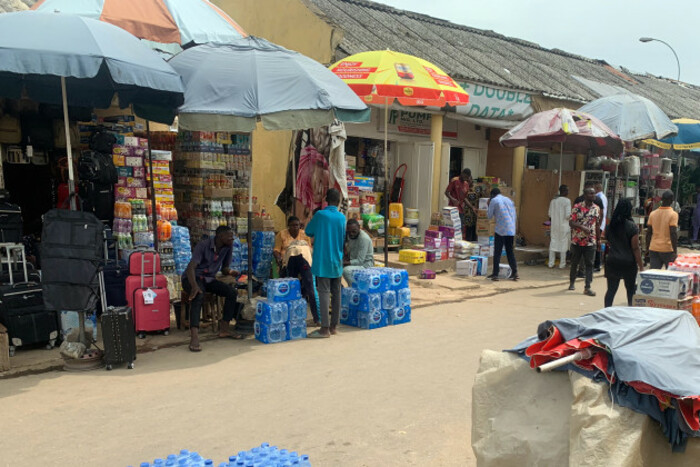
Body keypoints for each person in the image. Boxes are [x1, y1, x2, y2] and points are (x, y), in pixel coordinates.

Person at [182, 225, 243, 352]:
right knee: (198, 295)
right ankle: (194, 336)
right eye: (230, 236)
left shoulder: (228, 247)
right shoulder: (203, 245)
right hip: (192, 278)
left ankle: (224, 329)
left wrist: (231, 271)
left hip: (209, 278)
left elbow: (224, 268)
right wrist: (194, 286)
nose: (232, 239)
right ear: (220, 236)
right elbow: (191, 268)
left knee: (231, 292)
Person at [305, 188, 346, 338]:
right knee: (336, 293)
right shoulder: (342, 217)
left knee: (323, 292)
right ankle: (334, 326)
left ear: (326, 199)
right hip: (337, 259)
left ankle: (324, 328)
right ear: (339, 201)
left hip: (323, 260)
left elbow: (308, 231)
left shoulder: (320, 215)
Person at [273, 216, 319, 326]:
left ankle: (317, 318)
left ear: (300, 226)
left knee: (310, 288)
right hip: (288, 263)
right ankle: (289, 317)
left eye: (297, 225)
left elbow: (309, 250)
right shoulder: (282, 234)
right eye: (292, 225)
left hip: (304, 262)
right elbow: (276, 250)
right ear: (288, 226)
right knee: (291, 287)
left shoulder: (304, 235)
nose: (295, 227)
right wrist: (278, 258)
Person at [604, 199, 644, 307]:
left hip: (612, 260)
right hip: (628, 262)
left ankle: (606, 312)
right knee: (630, 290)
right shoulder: (632, 226)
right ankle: (630, 312)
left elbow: (608, 240)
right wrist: (641, 266)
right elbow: (635, 248)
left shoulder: (610, 226)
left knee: (611, 290)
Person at [568, 187, 601, 296]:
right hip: (577, 240)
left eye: (593, 193)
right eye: (590, 193)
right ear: (585, 195)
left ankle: (587, 287)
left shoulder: (596, 208)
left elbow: (597, 225)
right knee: (574, 263)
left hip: (590, 241)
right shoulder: (577, 208)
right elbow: (571, 223)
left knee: (589, 264)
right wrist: (582, 227)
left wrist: (599, 240)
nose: (593, 195)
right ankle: (572, 282)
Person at [487, 188, 519, 281]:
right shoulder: (509, 200)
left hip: (501, 229)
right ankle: (515, 272)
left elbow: (489, 216)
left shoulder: (494, 200)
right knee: (510, 251)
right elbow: (514, 215)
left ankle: (495, 274)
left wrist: (488, 205)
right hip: (511, 229)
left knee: (497, 252)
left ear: (492, 195)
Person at [646, 190, 678, 269]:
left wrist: (647, 248)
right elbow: (673, 233)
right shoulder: (673, 214)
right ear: (671, 200)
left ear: (662, 199)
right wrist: (675, 251)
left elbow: (648, 233)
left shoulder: (653, 214)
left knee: (654, 275)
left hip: (654, 248)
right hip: (668, 249)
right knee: (670, 277)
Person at [343, 219, 374, 285]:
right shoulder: (349, 235)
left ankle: (356, 288)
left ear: (359, 227)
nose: (351, 234)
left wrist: (345, 263)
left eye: (354, 231)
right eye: (349, 232)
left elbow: (360, 261)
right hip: (354, 261)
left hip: (365, 265)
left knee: (346, 270)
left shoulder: (363, 239)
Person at [445, 168, 474, 238]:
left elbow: (464, 198)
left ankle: (457, 244)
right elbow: (446, 192)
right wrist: (453, 199)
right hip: (452, 208)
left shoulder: (466, 184)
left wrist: (472, 207)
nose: (465, 179)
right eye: (465, 177)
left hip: (460, 210)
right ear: (462, 173)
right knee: (451, 228)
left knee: (459, 229)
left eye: (467, 178)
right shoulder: (454, 180)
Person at [548, 185, 571, 269]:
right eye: (567, 191)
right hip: (564, 226)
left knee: (553, 243)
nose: (568, 192)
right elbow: (568, 215)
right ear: (564, 191)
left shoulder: (553, 201)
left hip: (554, 226)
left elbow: (550, 215)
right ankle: (562, 264)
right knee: (563, 245)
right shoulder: (567, 201)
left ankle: (551, 263)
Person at [593, 182, 608, 272]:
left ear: (597, 188)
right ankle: (597, 264)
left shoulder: (599, 198)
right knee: (597, 243)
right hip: (600, 224)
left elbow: (601, 213)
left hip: (598, 224)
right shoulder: (603, 197)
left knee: (596, 244)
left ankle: (597, 264)